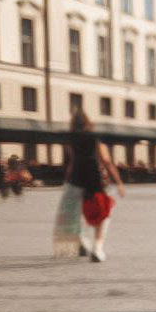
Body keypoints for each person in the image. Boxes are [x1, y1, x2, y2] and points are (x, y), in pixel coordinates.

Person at [65, 112, 124, 262]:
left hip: (76, 178)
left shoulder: (71, 140)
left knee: (77, 212)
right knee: (103, 212)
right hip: (92, 177)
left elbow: (72, 162)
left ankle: (82, 241)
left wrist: (68, 181)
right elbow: (106, 161)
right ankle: (98, 248)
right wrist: (118, 182)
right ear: (88, 122)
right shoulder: (95, 138)